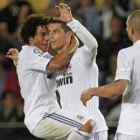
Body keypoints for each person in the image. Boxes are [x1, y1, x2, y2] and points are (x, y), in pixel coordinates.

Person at [6, 14, 94, 140]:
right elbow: (59, 64)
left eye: (48, 34)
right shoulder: (31, 51)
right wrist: (74, 42)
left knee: (78, 134)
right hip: (42, 115)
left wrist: (19, 63)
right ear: (30, 37)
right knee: (86, 124)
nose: (47, 38)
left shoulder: (38, 57)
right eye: (42, 34)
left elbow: (59, 70)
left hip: (48, 113)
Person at [49, 3, 108, 140]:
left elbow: (93, 44)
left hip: (94, 129)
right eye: (49, 32)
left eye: (56, 31)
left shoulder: (83, 55)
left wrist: (72, 22)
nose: (51, 36)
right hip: (73, 130)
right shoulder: (55, 64)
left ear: (69, 34)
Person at [81, 9, 140, 140]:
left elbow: (119, 88)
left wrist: (92, 91)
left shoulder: (127, 54)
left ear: (130, 30)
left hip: (133, 127)